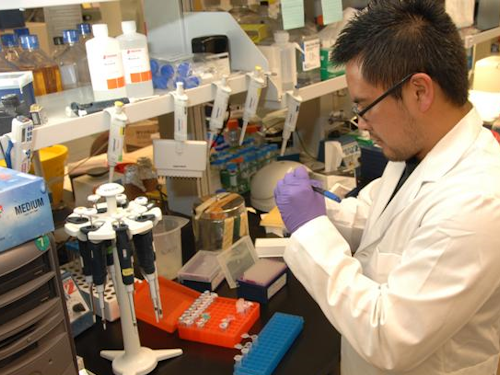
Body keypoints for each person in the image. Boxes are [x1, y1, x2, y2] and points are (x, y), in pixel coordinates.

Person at [274, 1, 500, 374]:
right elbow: (381, 220)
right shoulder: (417, 149)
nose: (361, 124)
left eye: (365, 106)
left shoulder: (476, 203)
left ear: (419, 92)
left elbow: (388, 336)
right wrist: (323, 209)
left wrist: (310, 230)